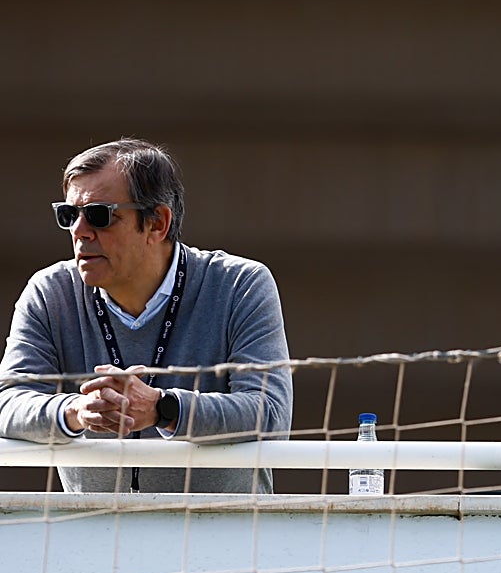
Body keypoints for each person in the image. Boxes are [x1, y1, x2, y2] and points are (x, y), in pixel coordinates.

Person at [0, 138, 293, 493]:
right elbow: (8, 402)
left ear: (157, 223)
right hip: (90, 537)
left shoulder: (240, 284)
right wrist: (77, 411)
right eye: (68, 214)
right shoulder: (49, 292)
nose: (79, 230)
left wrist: (163, 408)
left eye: (99, 215)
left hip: (225, 536)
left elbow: (271, 413)